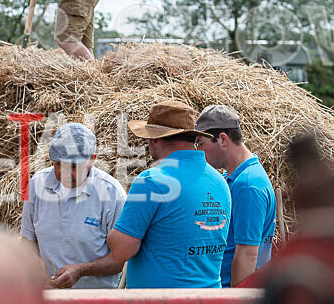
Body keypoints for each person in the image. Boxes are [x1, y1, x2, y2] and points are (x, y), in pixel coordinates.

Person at [107, 101, 231, 288]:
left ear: (155, 139)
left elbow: (120, 251)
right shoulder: (220, 181)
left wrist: (114, 233)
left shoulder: (152, 181)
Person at [20, 123, 126, 288]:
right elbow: (28, 240)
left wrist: (82, 270)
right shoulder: (37, 185)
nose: (66, 174)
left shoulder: (112, 194)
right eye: (59, 165)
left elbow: (119, 259)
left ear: (92, 160)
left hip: (94, 303)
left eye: (74, 167)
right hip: (46, 299)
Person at [194, 104, 277, 287]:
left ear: (223, 139)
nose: (198, 151)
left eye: (201, 143)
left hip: (231, 296)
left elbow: (247, 254)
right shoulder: (235, 178)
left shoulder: (247, 185)